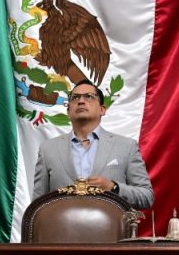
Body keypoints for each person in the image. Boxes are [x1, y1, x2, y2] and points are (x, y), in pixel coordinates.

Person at [33, 80, 153, 209]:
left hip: (110, 228)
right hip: (61, 228)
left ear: (102, 109)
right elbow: (37, 205)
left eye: (89, 96)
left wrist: (113, 187)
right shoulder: (48, 149)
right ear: (68, 111)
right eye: (75, 97)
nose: (81, 101)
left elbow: (146, 196)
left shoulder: (126, 146)